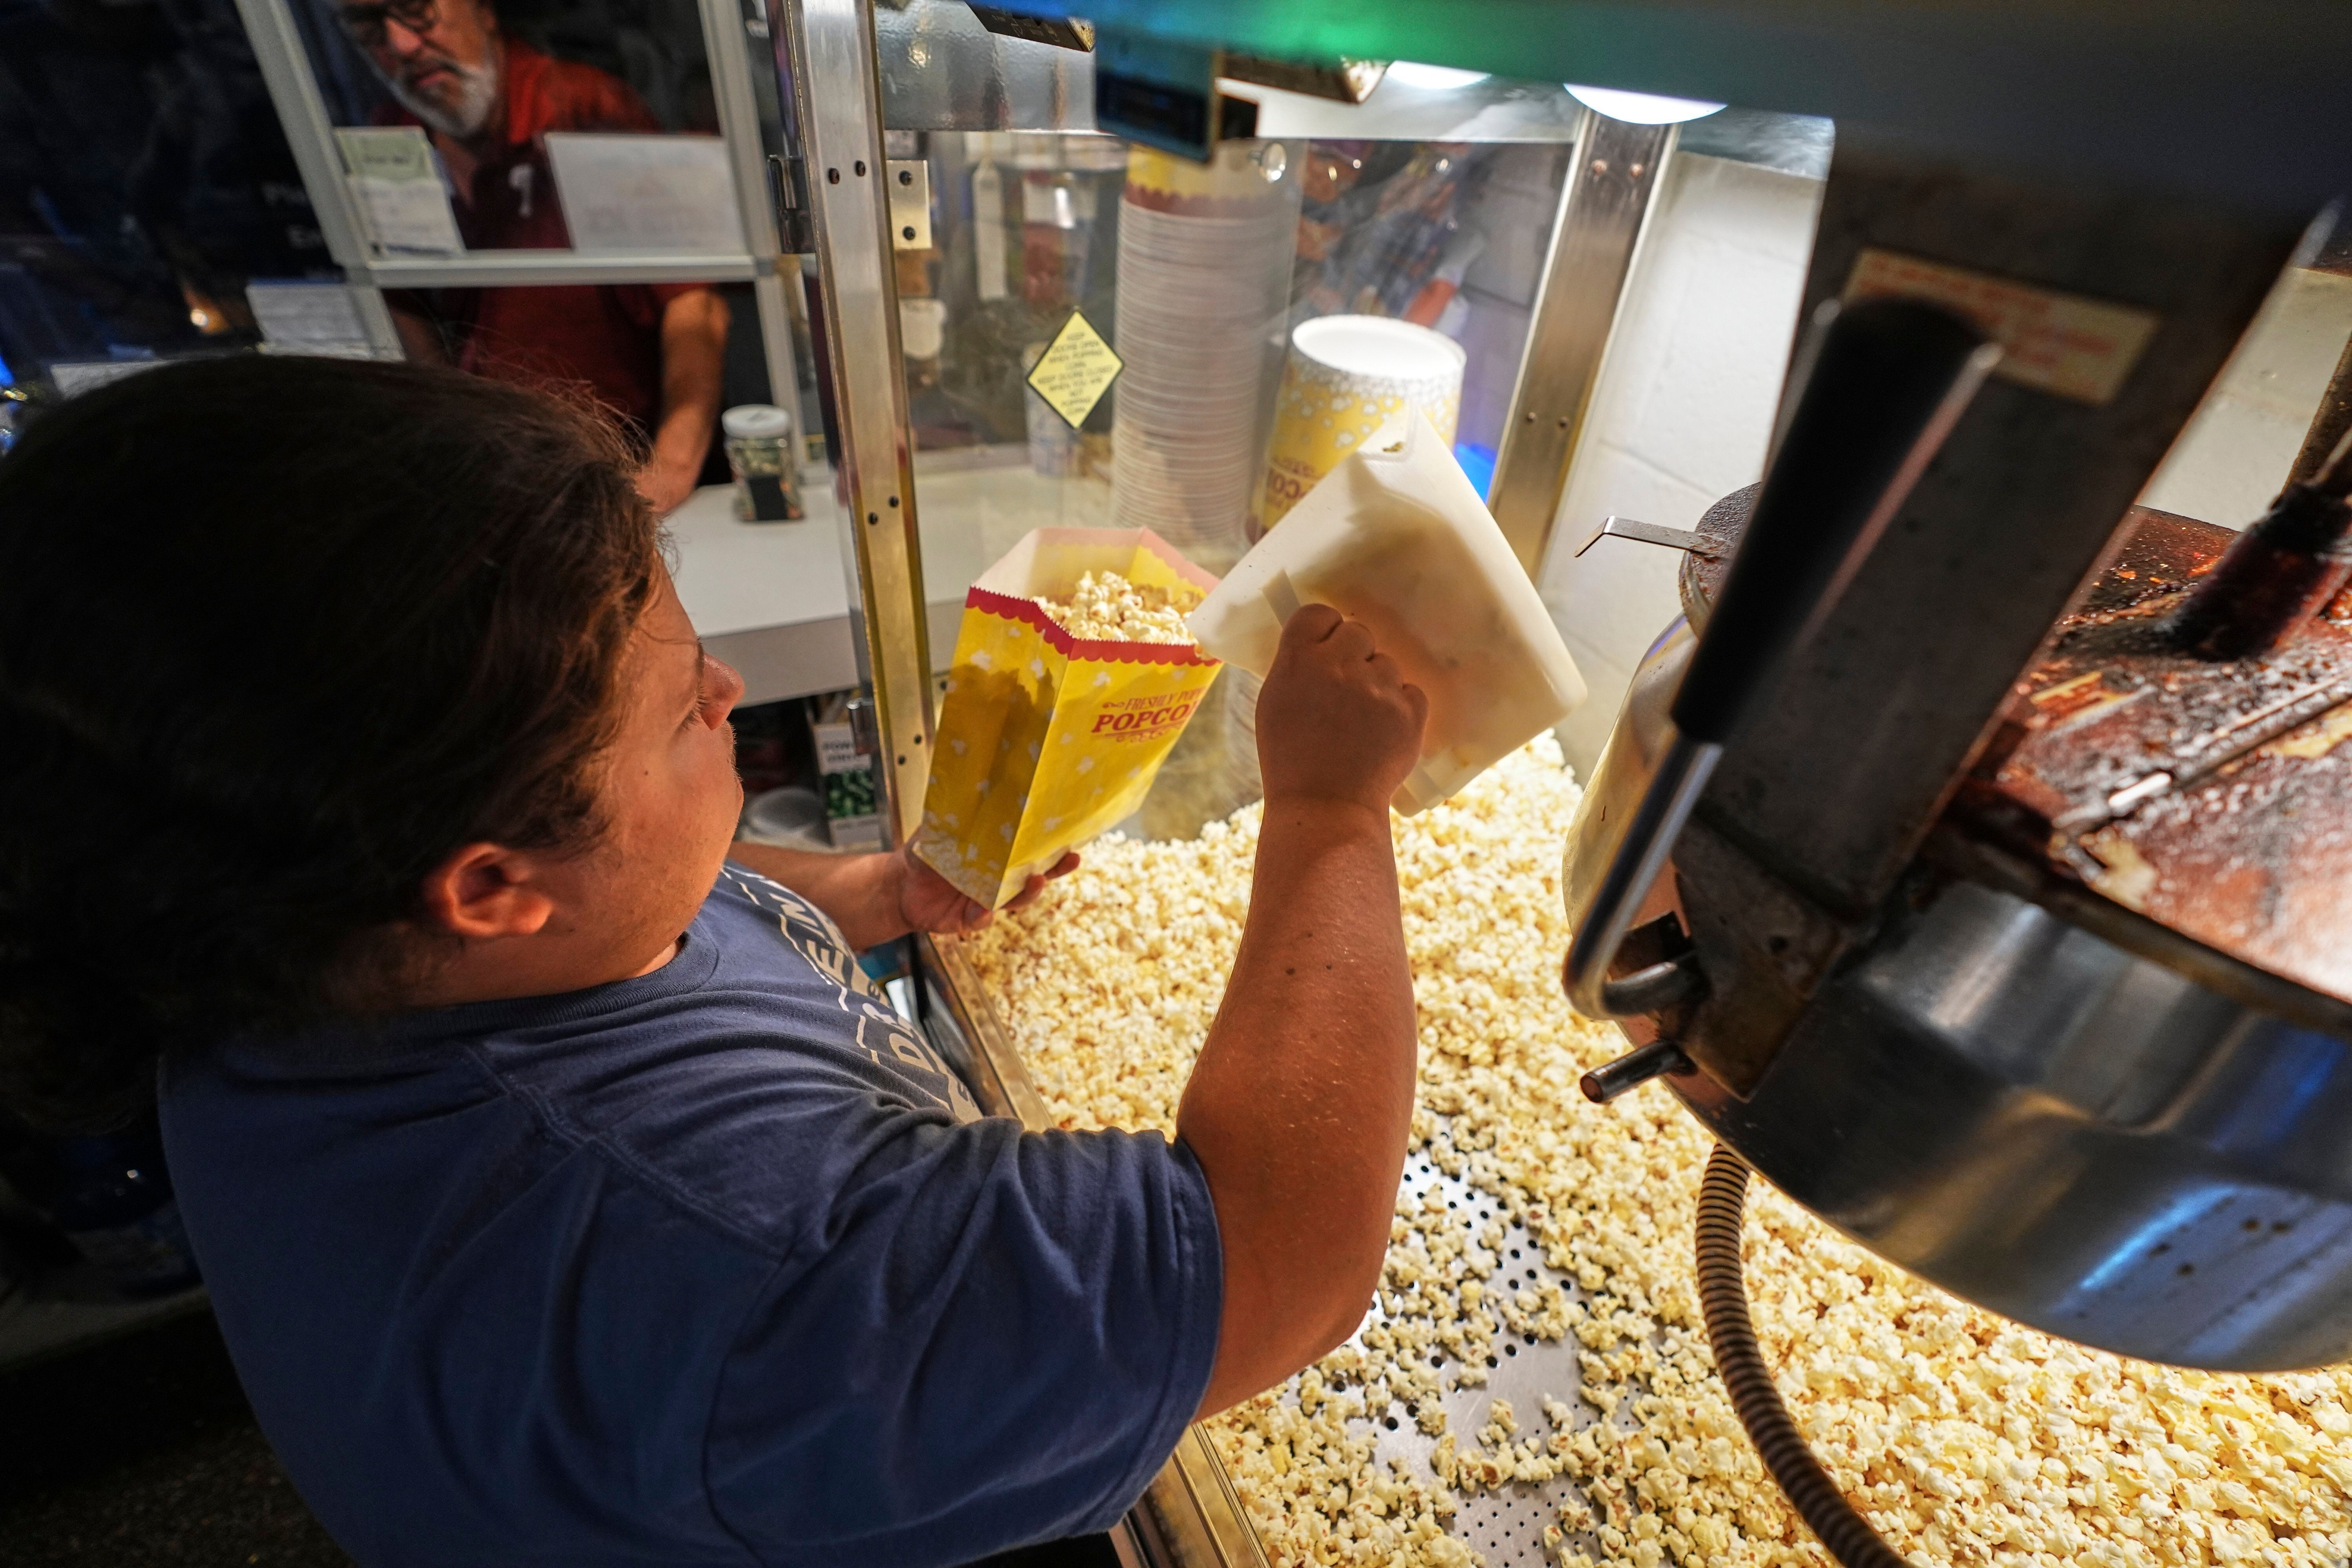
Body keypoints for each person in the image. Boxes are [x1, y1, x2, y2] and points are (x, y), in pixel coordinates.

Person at [0, 357, 1430, 1566]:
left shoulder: (272, 947)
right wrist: (1328, 809)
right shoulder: (732, 1252)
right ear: (488, 883)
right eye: (687, 713)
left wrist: (874, 892)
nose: (732, 691)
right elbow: (1282, 1264)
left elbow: (660, 894)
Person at [334, 0, 728, 512]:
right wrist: (450, 439)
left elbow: (693, 301)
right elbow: (397, 297)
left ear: (483, 9)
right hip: (494, 472)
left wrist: (669, 472)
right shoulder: (391, 136)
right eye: (368, 27)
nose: (403, 45)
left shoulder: (584, 107)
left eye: (417, 10)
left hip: (618, 463)